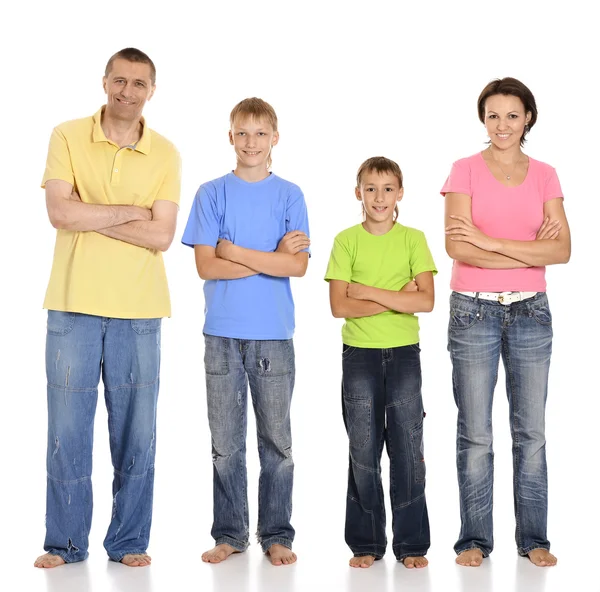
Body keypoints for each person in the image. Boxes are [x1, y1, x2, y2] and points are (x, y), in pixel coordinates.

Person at [34, 48, 181, 569]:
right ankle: (65, 543)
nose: (127, 91)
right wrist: (125, 213)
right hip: (72, 303)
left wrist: (88, 212)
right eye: (119, 81)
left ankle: (128, 543)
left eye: (138, 84)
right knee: (67, 429)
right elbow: (58, 212)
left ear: (151, 91)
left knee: (136, 431)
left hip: (139, 310)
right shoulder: (67, 135)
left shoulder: (166, 153)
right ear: (104, 82)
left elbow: (162, 235)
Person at [442, 77, 571, 568]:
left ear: (528, 119)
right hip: (472, 309)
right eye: (493, 115)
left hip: (531, 311)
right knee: (476, 432)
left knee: (530, 431)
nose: (502, 125)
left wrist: (490, 241)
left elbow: (561, 250)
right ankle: (474, 539)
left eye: (512, 116)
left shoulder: (546, 175)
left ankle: (534, 539)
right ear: (483, 119)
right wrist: (523, 249)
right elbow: (457, 247)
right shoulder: (464, 171)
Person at [181, 97, 310, 566]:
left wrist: (234, 251)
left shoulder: (290, 195)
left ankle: (277, 535)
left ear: (275, 138)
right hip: (221, 334)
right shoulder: (211, 193)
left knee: (277, 443)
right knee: (225, 443)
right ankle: (230, 533)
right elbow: (204, 265)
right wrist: (267, 256)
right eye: (242, 133)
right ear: (230, 137)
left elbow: (295, 265)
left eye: (260, 133)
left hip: (273, 333)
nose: (251, 142)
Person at [325, 156, 436, 569]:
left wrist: (365, 293)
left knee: (408, 449)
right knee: (364, 450)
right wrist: (395, 295)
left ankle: (411, 545)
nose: (379, 197)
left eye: (388, 189)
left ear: (400, 193)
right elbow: (339, 306)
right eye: (370, 188)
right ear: (358, 193)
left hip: (404, 354)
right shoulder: (346, 241)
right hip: (360, 357)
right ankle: (366, 544)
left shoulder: (413, 239)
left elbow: (425, 300)